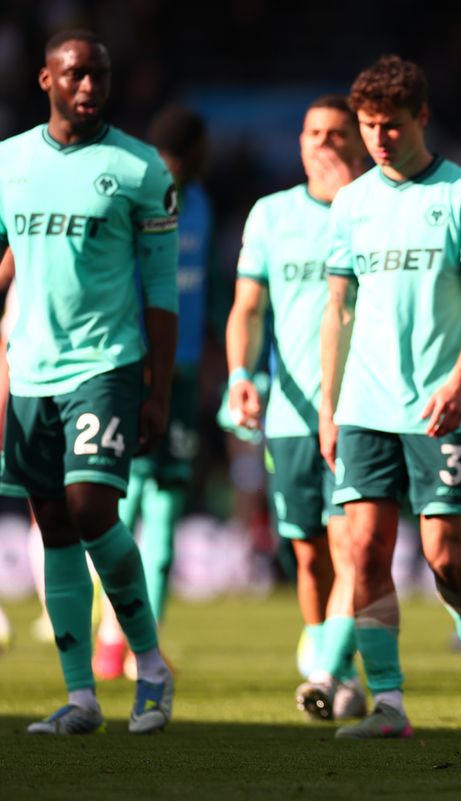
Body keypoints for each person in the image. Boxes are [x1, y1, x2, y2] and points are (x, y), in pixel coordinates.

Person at [320, 55, 461, 739]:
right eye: (368, 126)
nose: (379, 138)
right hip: (364, 405)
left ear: (421, 117)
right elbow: (336, 310)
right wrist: (327, 406)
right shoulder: (351, 203)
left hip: (439, 405)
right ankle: (389, 702)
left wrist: (460, 379)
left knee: (446, 557)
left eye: (391, 125)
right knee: (365, 550)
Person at [0, 30, 178, 734]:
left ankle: (151, 666)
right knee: (53, 527)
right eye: (75, 74)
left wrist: (157, 385)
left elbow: (160, 286)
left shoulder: (139, 167)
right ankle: (80, 696)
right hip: (31, 368)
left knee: (91, 506)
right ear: (45, 79)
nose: (89, 86)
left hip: (105, 363)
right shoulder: (8, 162)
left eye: (99, 75)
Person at [227, 94, 368, 721]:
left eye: (336, 133)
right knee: (307, 555)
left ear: (357, 144)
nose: (322, 142)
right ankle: (335, 669)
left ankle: (326, 669)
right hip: (289, 413)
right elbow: (249, 308)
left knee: (350, 547)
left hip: (361, 408)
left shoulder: (373, 211)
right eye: (313, 131)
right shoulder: (269, 215)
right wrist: (241, 373)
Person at [93, 105, 212, 680]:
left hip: (182, 375)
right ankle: (112, 637)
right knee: (128, 503)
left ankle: (141, 645)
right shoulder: (139, 196)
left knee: (162, 512)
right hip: (135, 368)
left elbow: (200, 293)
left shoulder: (204, 206)